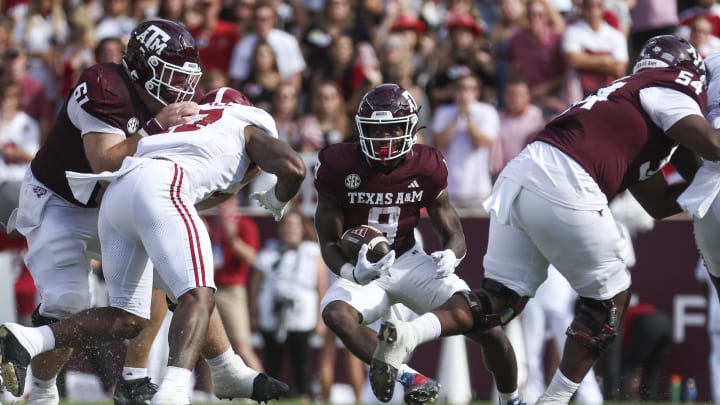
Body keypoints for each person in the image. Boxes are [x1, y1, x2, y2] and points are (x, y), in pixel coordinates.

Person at [369, 34, 718, 405]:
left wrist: (703, 184)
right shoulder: (669, 85)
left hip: (524, 171)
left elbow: (660, 204)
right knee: (611, 300)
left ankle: (409, 334)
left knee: (498, 302)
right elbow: (711, 142)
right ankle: (554, 400)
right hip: (567, 179)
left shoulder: (628, 102)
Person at [0, 19, 283, 405]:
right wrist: (152, 128)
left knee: (177, 268)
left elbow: (177, 184)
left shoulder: (180, 97)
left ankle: (142, 377)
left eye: (186, 77)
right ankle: (44, 391)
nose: (181, 87)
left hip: (118, 202)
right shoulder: (104, 85)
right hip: (62, 200)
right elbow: (102, 161)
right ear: (140, 66)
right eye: (170, 74)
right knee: (66, 302)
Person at [314, 83, 525, 405]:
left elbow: (452, 230)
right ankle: (411, 378)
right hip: (364, 268)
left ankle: (511, 400)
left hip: (410, 260)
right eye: (375, 130)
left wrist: (452, 256)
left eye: (392, 130)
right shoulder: (338, 164)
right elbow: (328, 239)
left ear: (409, 128)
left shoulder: (426, 164)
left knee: (489, 330)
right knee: (336, 314)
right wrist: (350, 271)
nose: (383, 139)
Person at [251, 209, 327, 403]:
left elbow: (321, 286)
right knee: (272, 359)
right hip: (272, 313)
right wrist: (254, 313)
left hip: (302, 314)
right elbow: (256, 284)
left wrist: (321, 318)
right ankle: (272, 397)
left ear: (302, 228)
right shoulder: (270, 249)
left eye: (294, 225)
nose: (289, 229)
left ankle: (304, 396)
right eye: (286, 225)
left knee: (302, 361)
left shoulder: (312, 251)